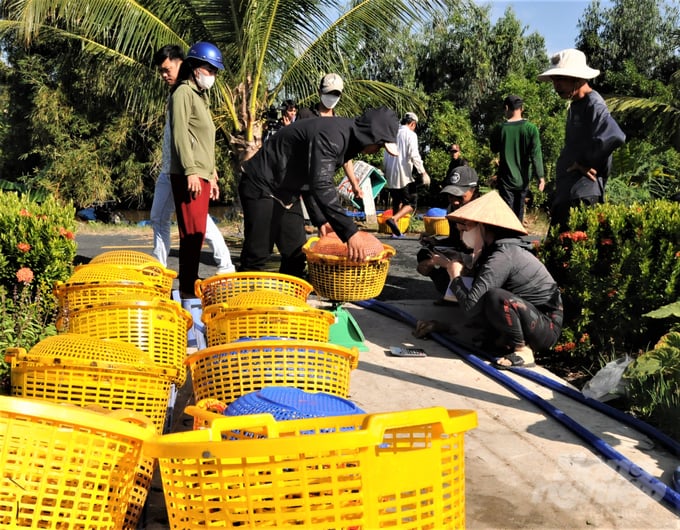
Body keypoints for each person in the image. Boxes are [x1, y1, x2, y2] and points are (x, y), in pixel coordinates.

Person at [238, 107, 399, 276]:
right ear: (370, 135)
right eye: (380, 145)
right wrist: (350, 232)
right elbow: (320, 184)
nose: (378, 149)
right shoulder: (332, 136)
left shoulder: (347, 140)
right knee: (257, 255)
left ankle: (289, 301)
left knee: (296, 255)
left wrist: (321, 220)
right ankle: (245, 299)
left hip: (287, 192)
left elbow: (310, 178)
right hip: (261, 185)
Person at [431, 190, 563, 369]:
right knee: (485, 300)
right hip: (528, 316)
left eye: (466, 228)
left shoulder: (503, 255)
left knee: (495, 297)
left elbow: (472, 306)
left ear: (483, 227)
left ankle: (523, 350)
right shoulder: (493, 251)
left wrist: (454, 276)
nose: (463, 233)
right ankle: (503, 341)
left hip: (545, 327)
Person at [150, 45, 235, 274]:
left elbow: (197, 138)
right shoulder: (181, 94)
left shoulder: (190, 94)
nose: (164, 75)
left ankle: (224, 264)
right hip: (173, 169)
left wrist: (203, 171)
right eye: (161, 72)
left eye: (168, 69)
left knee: (196, 225)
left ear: (182, 63)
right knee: (165, 219)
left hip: (184, 170)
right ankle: (160, 267)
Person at [537, 48, 625, 232]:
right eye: (554, 80)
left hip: (582, 194)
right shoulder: (577, 104)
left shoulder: (594, 103)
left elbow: (614, 135)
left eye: (561, 79)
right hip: (569, 193)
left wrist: (585, 162)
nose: (556, 86)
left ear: (577, 78)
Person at [168, 41, 225, 298]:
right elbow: (180, 135)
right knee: (191, 235)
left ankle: (191, 286)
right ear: (194, 68)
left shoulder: (199, 98)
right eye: (209, 69)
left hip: (202, 174)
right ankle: (188, 292)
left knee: (198, 235)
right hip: (188, 175)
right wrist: (191, 170)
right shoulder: (182, 93)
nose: (211, 75)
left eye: (214, 71)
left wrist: (211, 174)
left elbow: (203, 139)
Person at [416, 165, 480, 300]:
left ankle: (463, 296)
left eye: (460, 196)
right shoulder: (452, 208)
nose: (455, 201)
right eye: (451, 196)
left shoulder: (482, 211)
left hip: (479, 259)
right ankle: (448, 292)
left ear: (474, 191)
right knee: (425, 253)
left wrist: (446, 262)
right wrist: (435, 242)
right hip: (461, 251)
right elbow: (454, 239)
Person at [298, 73, 363, 200]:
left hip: (324, 183)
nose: (332, 97)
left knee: (327, 219)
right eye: (328, 93)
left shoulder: (339, 124)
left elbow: (346, 158)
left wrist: (355, 184)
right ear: (319, 92)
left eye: (336, 94)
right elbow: (294, 148)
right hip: (302, 183)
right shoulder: (306, 115)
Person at [490, 94, 545, 222]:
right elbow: (536, 154)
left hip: (506, 178)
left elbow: (494, 148)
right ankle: (516, 236)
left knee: (506, 210)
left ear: (506, 108)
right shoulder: (531, 129)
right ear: (522, 108)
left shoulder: (499, 129)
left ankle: (506, 237)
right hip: (524, 178)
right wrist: (540, 177)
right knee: (519, 209)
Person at [383, 112, 430, 238]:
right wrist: (423, 172)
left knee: (396, 201)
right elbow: (414, 154)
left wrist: (385, 171)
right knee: (411, 203)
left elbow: (385, 155)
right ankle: (394, 219)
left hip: (390, 173)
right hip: (403, 174)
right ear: (412, 123)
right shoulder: (410, 135)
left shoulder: (392, 133)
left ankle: (395, 232)